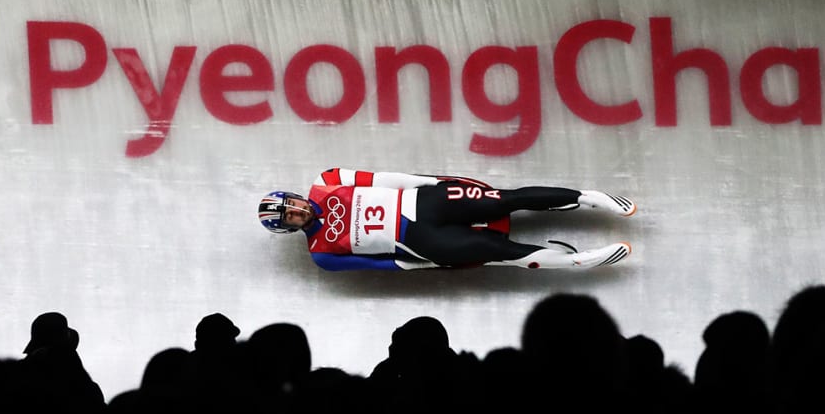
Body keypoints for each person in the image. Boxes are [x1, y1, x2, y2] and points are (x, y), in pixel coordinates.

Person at [257, 168, 636, 271]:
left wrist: (431, 183)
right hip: (419, 244)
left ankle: (589, 199)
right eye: (291, 216)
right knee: (496, 250)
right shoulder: (322, 255)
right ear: (290, 228)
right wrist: (426, 264)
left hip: (425, 202)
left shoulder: (326, 181)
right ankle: (575, 262)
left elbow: (382, 178)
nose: (298, 210)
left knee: (505, 200)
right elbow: (387, 265)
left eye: (291, 203)